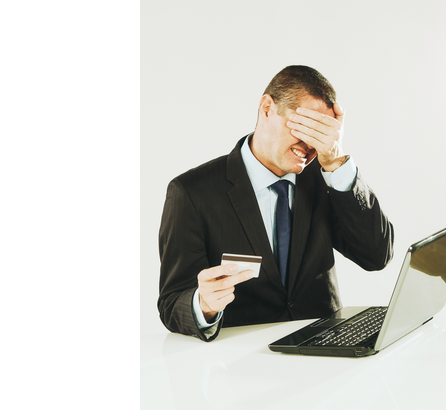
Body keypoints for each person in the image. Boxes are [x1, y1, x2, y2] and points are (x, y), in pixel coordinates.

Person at [157, 65, 394, 341]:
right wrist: (204, 305)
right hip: (240, 365)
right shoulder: (191, 192)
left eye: (321, 133)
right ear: (267, 108)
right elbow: (171, 302)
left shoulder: (327, 178)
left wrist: (337, 163)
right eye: (305, 126)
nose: (310, 144)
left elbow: (376, 255)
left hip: (322, 356)